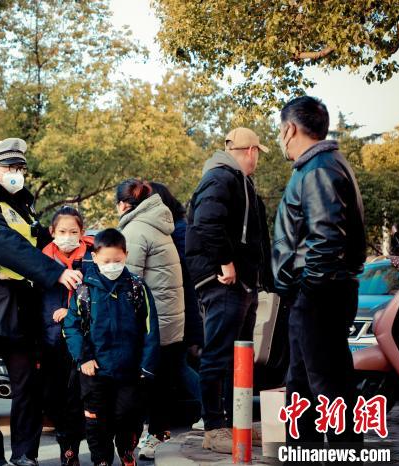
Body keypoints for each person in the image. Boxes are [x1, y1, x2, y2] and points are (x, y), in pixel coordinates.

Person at [0, 138, 83, 466]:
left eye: (21, 168)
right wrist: (54, 272)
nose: (17, 174)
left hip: (20, 307)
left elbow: (40, 240)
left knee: (28, 387)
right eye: (11, 168)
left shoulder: (22, 206)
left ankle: (25, 455)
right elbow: (5, 243)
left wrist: (82, 246)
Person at [273, 96, 366, 449]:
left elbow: (327, 236)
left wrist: (308, 289)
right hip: (316, 292)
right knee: (305, 385)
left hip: (318, 293)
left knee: (326, 385)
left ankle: (345, 453)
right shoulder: (320, 166)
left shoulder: (319, 169)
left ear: (290, 129)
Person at [185, 127, 272, 453]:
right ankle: (214, 427)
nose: (257, 160)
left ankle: (239, 425)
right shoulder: (221, 178)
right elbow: (207, 222)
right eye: (257, 154)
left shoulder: (235, 180)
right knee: (220, 356)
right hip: (223, 282)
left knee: (240, 357)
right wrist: (225, 263)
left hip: (241, 284)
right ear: (250, 151)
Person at [63, 228, 160, 466]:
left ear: (126, 255)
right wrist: (83, 358)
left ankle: (126, 449)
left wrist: (146, 366)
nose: (112, 265)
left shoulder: (137, 286)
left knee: (127, 415)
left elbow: (150, 328)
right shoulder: (83, 289)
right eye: (107, 261)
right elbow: (71, 327)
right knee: (97, 422)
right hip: (94, 371)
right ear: (95, 257)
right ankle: (101, 460)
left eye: (117, 260)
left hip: (129, 370)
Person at [114, 179, 185, 460]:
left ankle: (148, 437)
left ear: (122, 205)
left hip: (151, 322)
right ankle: (157, 434)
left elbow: (129, 283)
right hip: (168, 318)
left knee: (145, 385)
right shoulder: (159, 223)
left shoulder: (135, 230)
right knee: (162, 383)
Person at [40, 206, 92, 466]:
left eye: (73, 231)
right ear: (52, 232)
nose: (68, 236)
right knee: (56, 399)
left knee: (82, 398)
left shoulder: (94, 259)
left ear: (82, 232)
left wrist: (71, 311)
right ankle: (67, 451)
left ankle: (96, 452)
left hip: (84, 342)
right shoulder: (41, 261)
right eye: (62, 231)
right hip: (51, 343)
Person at [149, 182, 203, 430]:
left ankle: (212, 410)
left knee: (178, 366)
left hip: (179, 305)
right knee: (176, 366)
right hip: (178, 305)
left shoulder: (179, 231)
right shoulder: (174, 229)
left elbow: (183, 271)